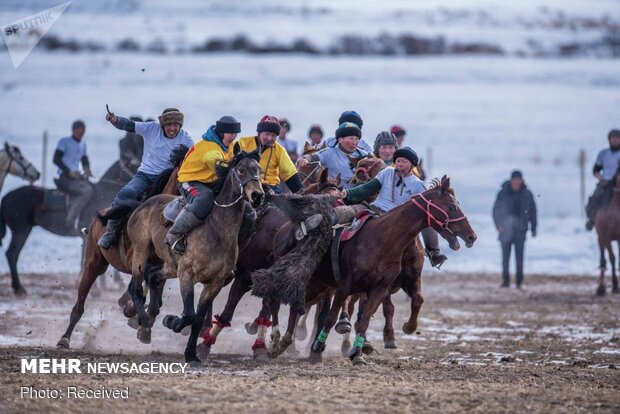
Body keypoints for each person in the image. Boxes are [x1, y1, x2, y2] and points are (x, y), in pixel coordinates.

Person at [98, 108, 194, 249]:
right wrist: (115, 120)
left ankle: (182, 237)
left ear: (180, 125)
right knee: (125, 194)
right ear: (162, 125)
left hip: (170, 177)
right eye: (169, 125)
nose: (172, 128)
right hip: (145, 175)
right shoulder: (151, 129)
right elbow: (129, 125)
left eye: (175, 125)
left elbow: (197, 157)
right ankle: (110, 233)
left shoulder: (186, 138)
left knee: (190, 201)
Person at [337, 147, 447, 268]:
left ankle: (433, 253)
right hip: (373, 209)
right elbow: (368, 188)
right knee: (342, 213)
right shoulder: (387, 172)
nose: (400, 164)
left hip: (396, 220)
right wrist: (346, 193)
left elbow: (424, 211)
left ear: (412, 165)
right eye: (398, 161)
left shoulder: (418, 185)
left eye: (404, 162)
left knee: (427, 220)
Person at [164, 116, 241, 254]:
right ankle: (174, 234)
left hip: (210, 181)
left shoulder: (229, 146)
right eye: (231, 133)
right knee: (204, 199)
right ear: (222, 133)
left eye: (235, 134)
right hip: (190, 180)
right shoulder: (210, 148)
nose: (233, 137)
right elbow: (218, 165)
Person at [492, 170, 537, 288]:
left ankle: (519, 282)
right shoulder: (503, 192)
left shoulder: (527, 194)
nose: (516, 182)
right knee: (505, 258)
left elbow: (533, 211)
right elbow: (496, 210)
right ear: (511, 180)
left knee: (519, 258)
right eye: (515, 179)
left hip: (520, 231)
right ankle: (505, 280)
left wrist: (534, 227)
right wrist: (499, 225)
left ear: (522, 180)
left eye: (518, 179)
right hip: (505, 230)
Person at [237, 115, 304, 194]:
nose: (269, 138)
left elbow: (289, 173)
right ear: (259, 133)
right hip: (246, 185)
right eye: (267, 134)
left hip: (271, 188)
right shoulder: (244, 143)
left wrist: (301, 195)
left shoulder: (279, 150)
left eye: (273, 135)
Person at [298, 122, 368, 189]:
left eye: (356, 139)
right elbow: (313, 157)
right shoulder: (329, 152)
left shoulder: (364, 155)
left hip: (357, 194)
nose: (354, 142)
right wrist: (305, 159)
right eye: (351, 138)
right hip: (333, 193)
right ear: (340, 139)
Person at [53, 120, 93, 232]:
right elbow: (56, 159)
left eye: (83, 131)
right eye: (80, 131)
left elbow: (85, 159)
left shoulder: (83, 144)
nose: (82, 133)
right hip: (65, 177)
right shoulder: (64, 142)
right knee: (87, 191)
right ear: (74, 130)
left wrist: (87, 169)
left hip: (77, 176)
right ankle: (71, 219)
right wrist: (68, 171)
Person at [585, 129, 620, 230]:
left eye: (617, 138)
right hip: (606, 182)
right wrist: (601, 178)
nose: (615, 140)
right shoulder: (603, 154)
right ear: (609, 140)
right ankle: (592, 219)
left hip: (618, 182)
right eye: (612, 138)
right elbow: (596, 170)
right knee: (595, 198)